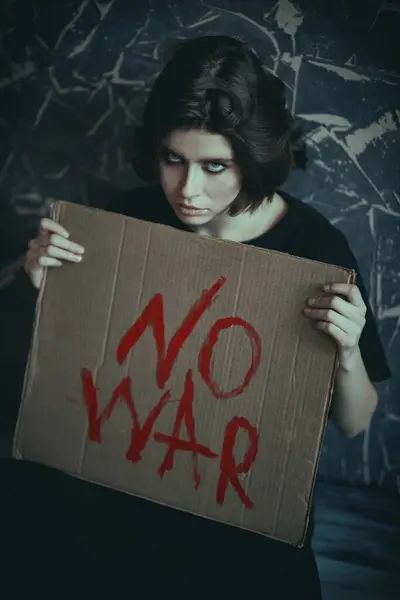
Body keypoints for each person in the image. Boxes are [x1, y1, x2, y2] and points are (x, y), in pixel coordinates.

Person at [2, 35, 391, 597]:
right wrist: (40, 284)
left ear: (252, 158)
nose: (188, 190)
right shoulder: (129, 217)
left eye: (215, 166)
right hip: (122, 497)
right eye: (173, 160)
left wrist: (348, 351)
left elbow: (355, 423)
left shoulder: (315, 248)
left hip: (238, 522)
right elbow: (65, 381)